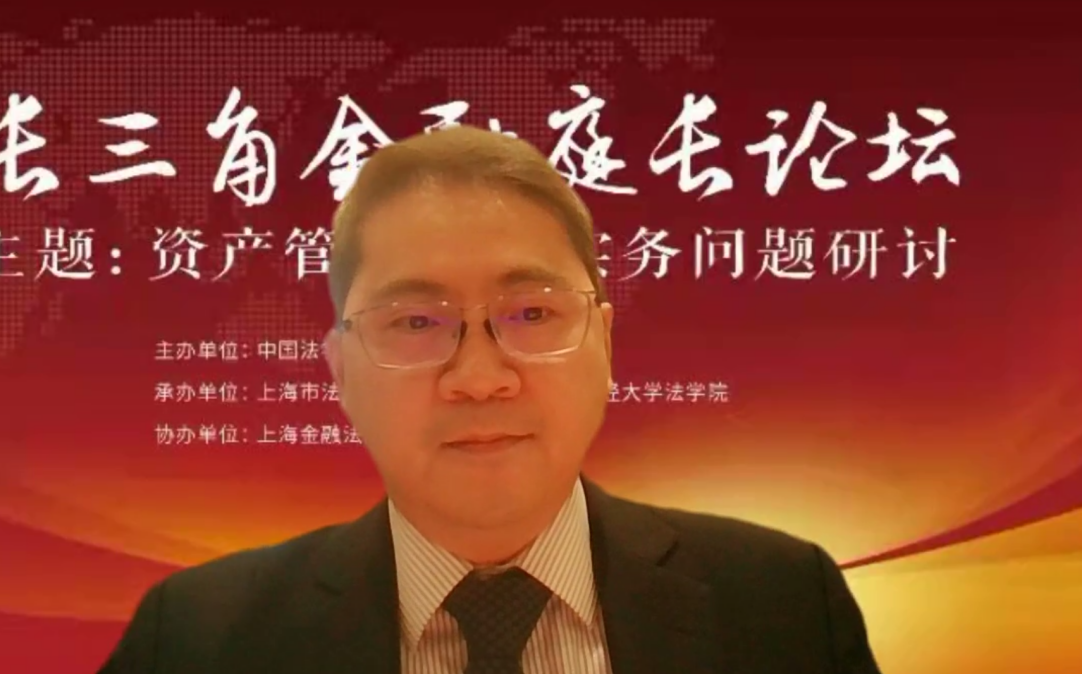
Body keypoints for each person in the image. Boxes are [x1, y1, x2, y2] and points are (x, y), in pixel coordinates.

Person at [97, 125, 882, 674]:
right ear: (340, 372)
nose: (480, 378)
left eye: (532, 314)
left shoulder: (782, 604)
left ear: (604, 342)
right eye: (416, 323)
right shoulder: (195, 637)